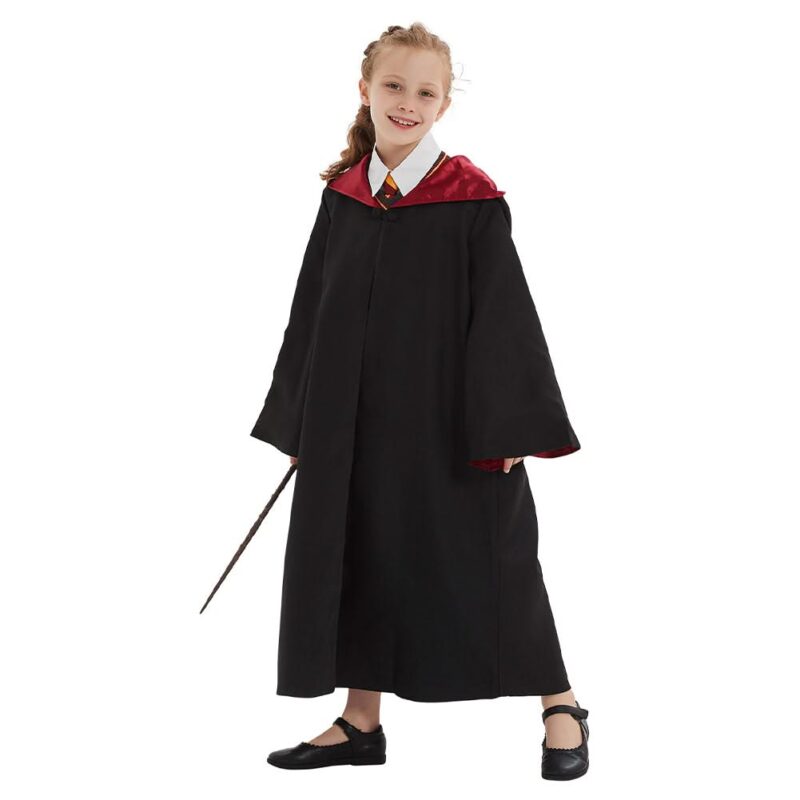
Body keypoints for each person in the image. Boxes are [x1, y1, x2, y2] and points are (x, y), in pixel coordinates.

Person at [250, 22, 590, 780]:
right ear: (365, 90)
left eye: (425, 92)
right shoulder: (344, 197)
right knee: (363, 554)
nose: (407, 102)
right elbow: (311, 311)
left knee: (497, 562)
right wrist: (302, 422)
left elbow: (504, 316)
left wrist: (507, 425)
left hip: (450, 424)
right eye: (394, 86)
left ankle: (561, 704)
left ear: (444, 104)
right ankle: (360, 721)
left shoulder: (471, 199)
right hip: (355, 423)